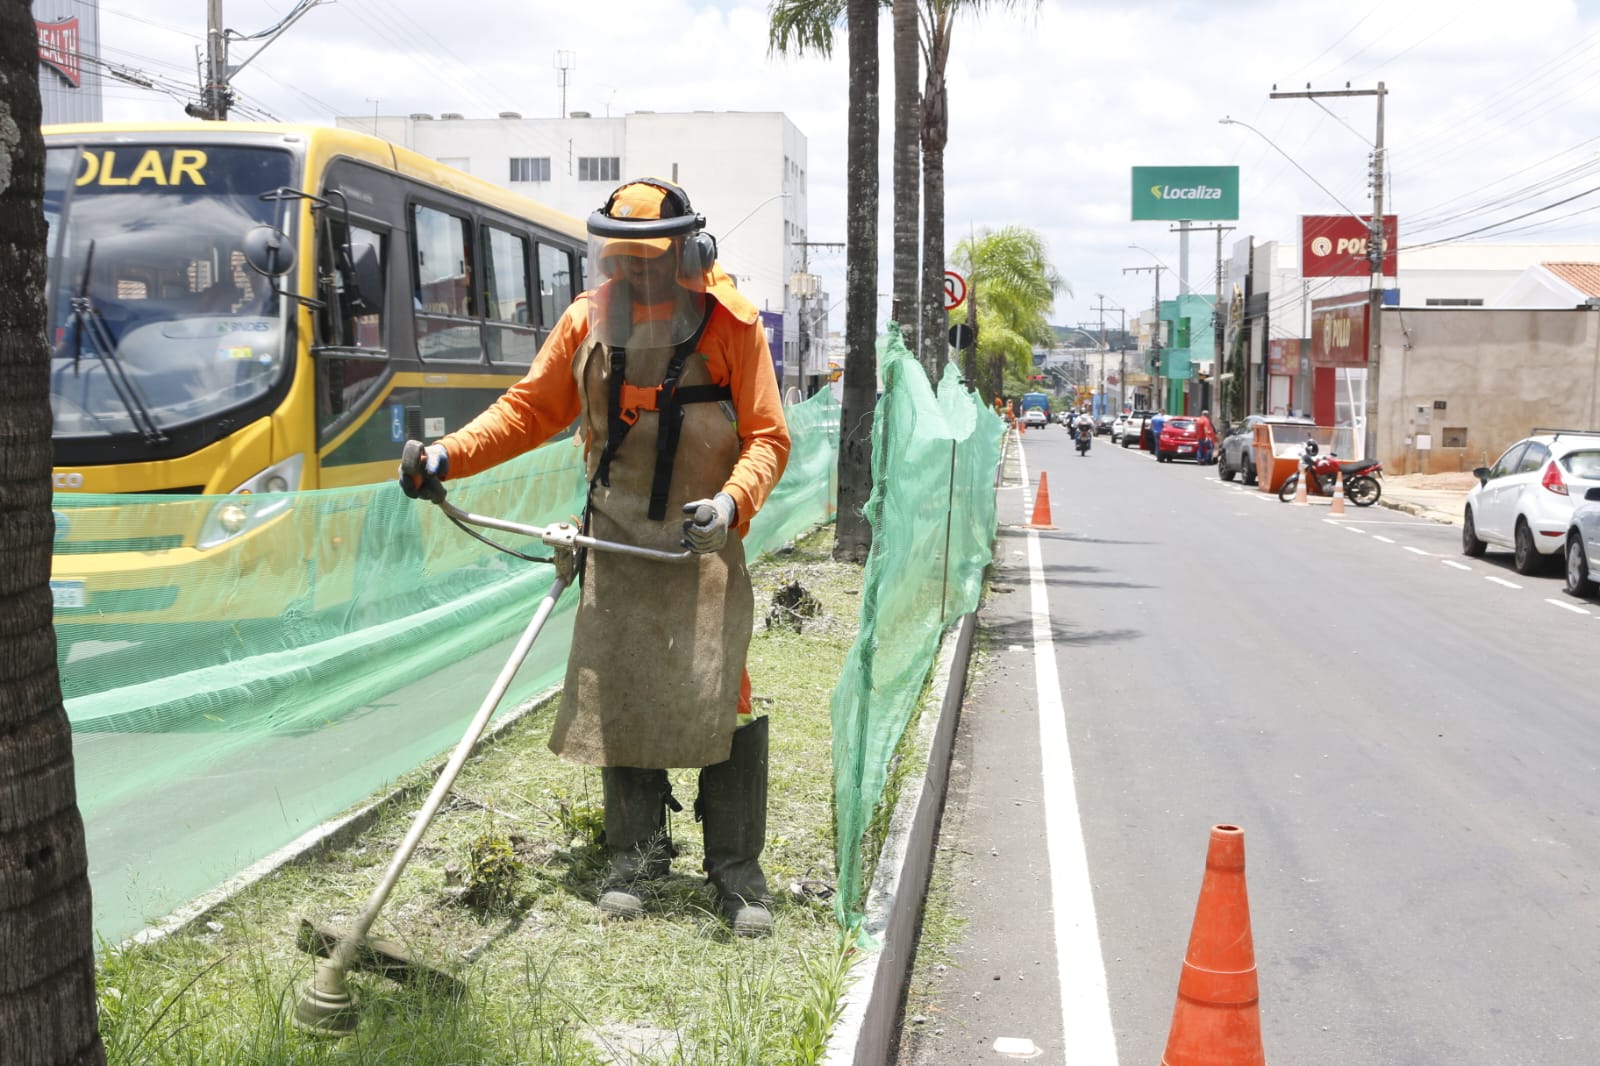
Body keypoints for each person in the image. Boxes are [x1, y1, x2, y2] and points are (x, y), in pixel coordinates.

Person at [398, 178, 791, 937]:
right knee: (622, 692)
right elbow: (528, 410)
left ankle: (737, 872)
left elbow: (768, 437)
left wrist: (731, 506)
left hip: (701, 543)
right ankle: (636, 861)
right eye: (621, 260)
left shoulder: (731, 329)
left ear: (688, 253)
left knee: (721, 692)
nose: (634, 276)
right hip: (613, 539)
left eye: (650, 262)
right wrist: (446, 456)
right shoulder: (588, 323)